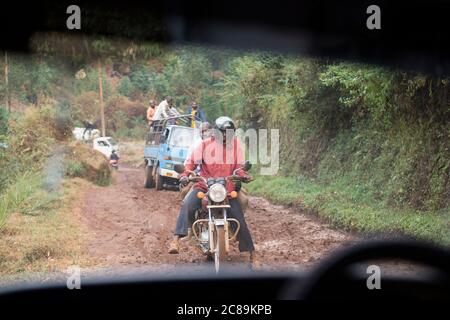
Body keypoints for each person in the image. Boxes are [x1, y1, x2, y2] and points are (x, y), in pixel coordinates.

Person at [168, 116, 260, 268]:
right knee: (187, 204)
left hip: (226, 189)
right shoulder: (204, 145)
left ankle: (253, 255)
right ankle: (176, 239)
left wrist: (243, 175)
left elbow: (239, 167)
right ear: (217, 132)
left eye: (229, 132)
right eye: (224, 132)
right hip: (204, 186)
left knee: (239, 218)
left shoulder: (236, 146)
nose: (226, 135)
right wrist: (185, 175)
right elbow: (190, 163)